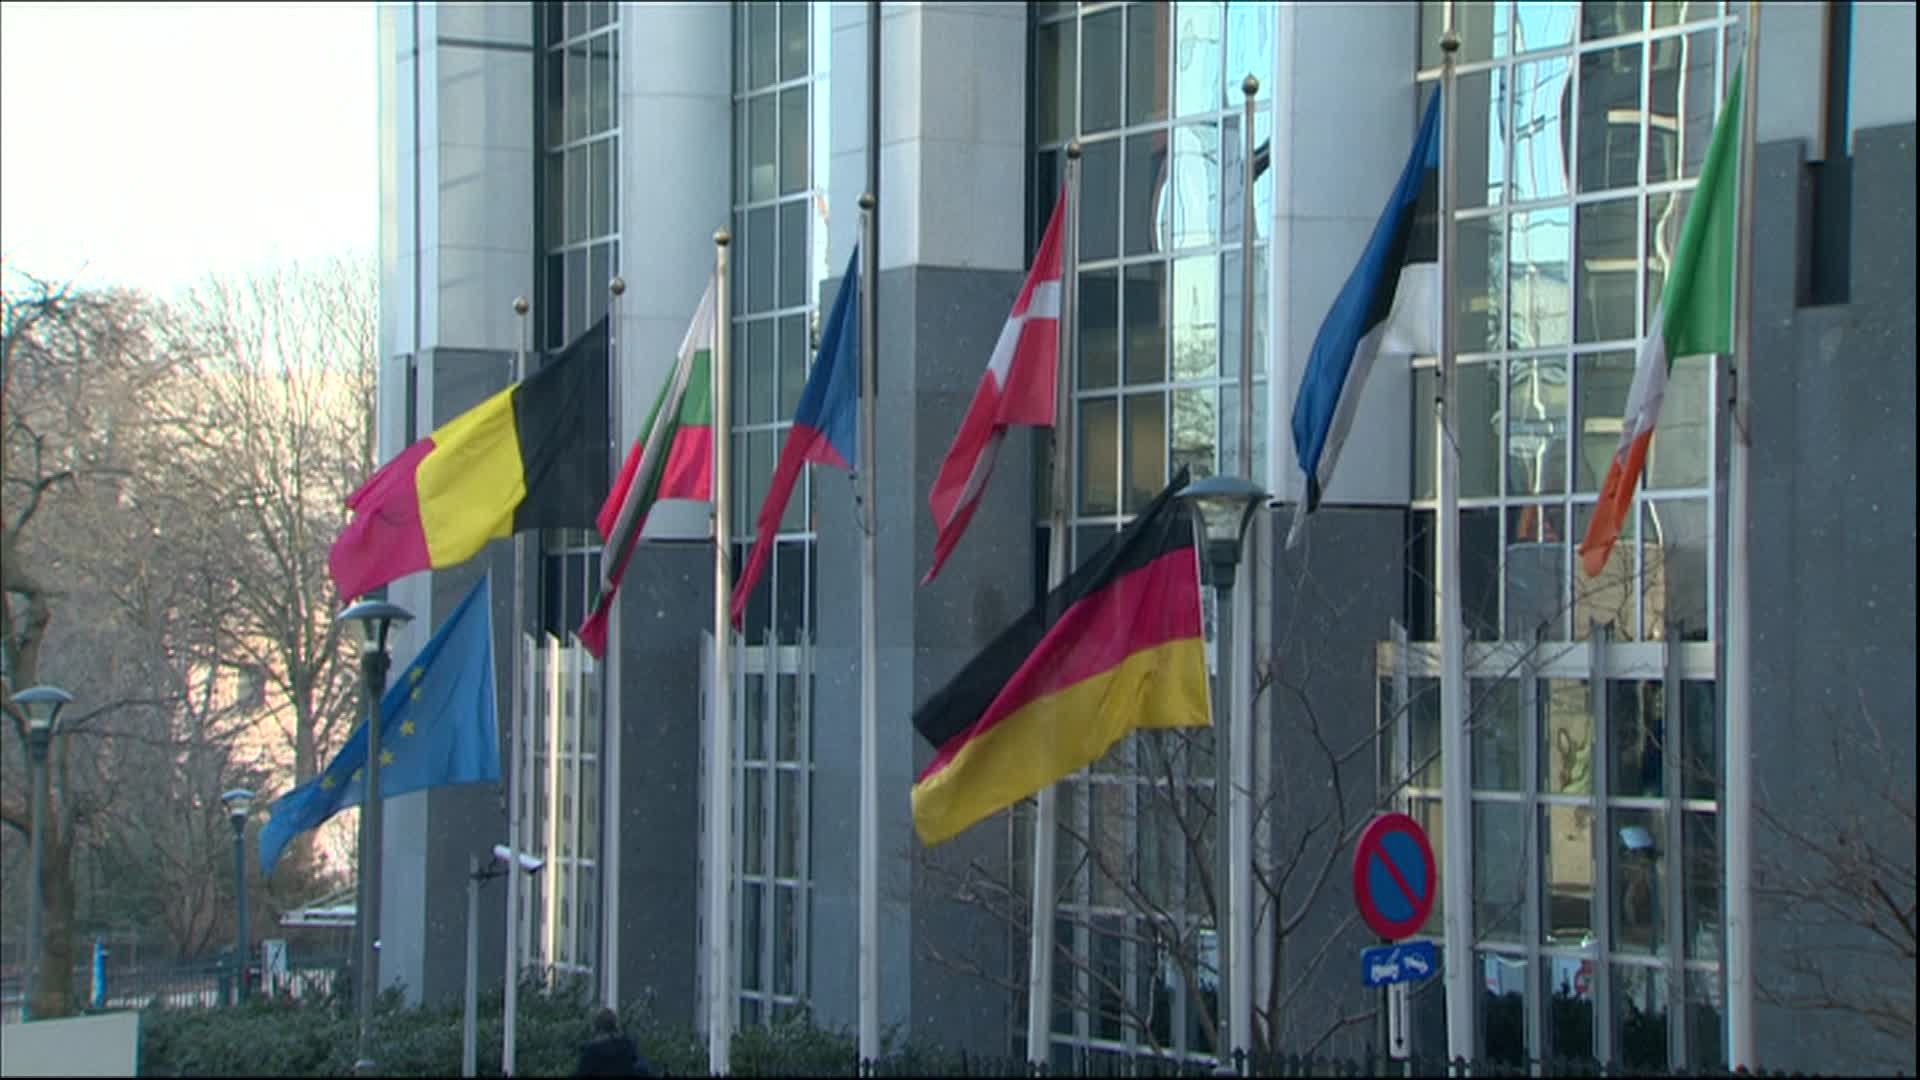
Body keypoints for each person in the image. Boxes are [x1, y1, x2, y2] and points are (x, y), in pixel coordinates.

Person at [573, 1006, 651, 1077]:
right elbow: (643, 1070)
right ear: (614, 1024)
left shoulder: (592, 1050)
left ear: (597, 1028)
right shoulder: (627, 1045)